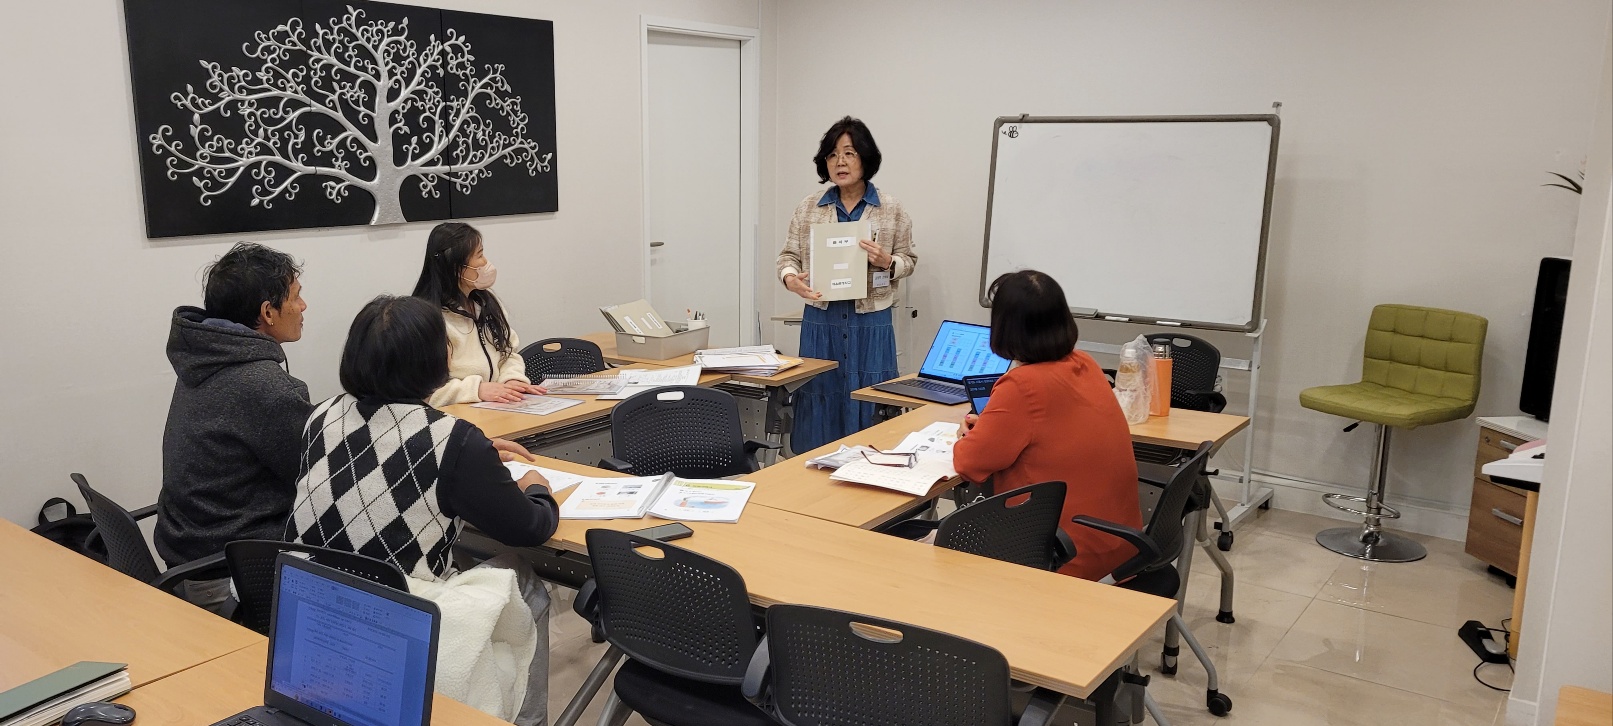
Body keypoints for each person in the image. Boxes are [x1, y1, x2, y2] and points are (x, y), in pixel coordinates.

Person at [284, 295, 558, 726]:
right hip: (394, 617)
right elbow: (530, 527)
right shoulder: (451, 438)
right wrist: (536, 486)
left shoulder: (320, 417)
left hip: (313, 610)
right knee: (521, 578)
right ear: (434, 360)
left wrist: (477, 455)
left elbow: (381, 456)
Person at [952, 270, 1142, 581]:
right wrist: (996, 426)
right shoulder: (1086, 364)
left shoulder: (1021, 385)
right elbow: (1050, 429)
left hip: (1062, 556)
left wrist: (966, 436)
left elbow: (969, 464)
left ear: (1004, 327)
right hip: (1121, 547)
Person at [156, 242, 313, 614]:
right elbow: (314, 476)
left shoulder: (202, 361)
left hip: (186, 561)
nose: (303, 306)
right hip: (235, 577)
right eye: (296, 296)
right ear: (268, 312)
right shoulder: (267, 387)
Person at [776, 116, 917, 452]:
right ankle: (814, 468)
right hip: (821, 318)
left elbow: (908, 259)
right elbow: (787, 257)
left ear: (865, 158)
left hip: (871, 321)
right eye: (832, 155)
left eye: (849, 153)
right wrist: (791, 279)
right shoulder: (809, 207)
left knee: (872, 396)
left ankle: (871, 467)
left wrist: (888, 262)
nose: (840, 162)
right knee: (819, 391)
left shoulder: (890, 208)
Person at [412, 221, 545, 408]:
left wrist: (512, 379)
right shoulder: (427, 319)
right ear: (456, 266)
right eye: (479, 255)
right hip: (457, 415)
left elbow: (508, 352)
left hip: (498, 407)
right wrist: (476, 390)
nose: (485, 262)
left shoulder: (487, 304)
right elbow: (426, 391)